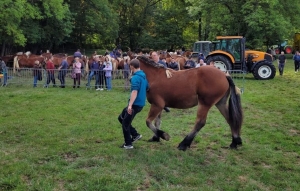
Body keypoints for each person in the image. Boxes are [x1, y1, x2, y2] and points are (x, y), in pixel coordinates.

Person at [118, 59, 149, 149]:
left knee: (125, 124)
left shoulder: (136, 77)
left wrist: (130, 105)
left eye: (129, 65)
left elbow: (134, 91)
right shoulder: (143, 76)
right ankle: (135, 135)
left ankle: (128, 144)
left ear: (131, 66)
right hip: (140, 104)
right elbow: (148, 87)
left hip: (135, 105)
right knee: (121, 118)